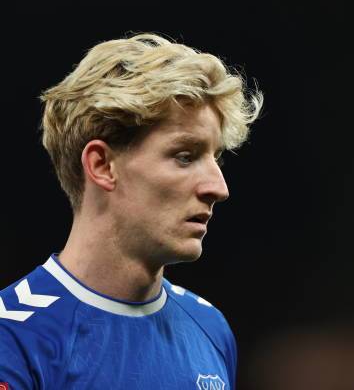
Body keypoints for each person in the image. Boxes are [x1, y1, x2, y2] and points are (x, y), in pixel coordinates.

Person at [0, 33, 262, 389]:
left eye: (215, 158)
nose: (218, 188)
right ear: (102, 165)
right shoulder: (13, 336)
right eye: (185, 156)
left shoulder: (210, 327)